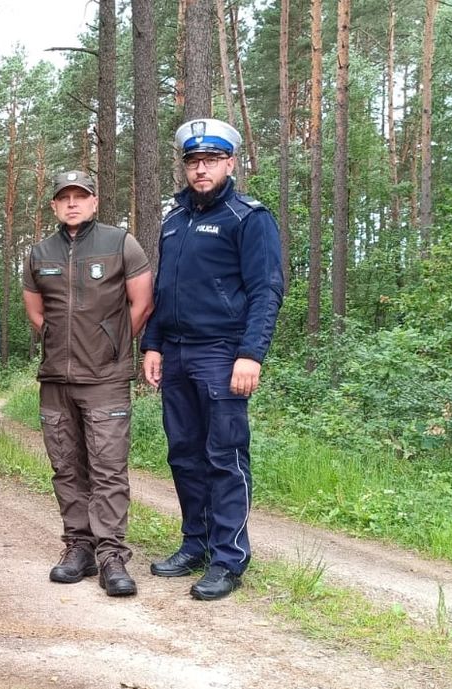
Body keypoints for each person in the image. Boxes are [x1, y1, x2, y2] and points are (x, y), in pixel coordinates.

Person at [141, 119, 283, 600]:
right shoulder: (173, 219)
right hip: (177, 354)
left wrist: (250, 354)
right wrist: (153, 343)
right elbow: (165, 289)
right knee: (184, 453)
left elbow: (266, 291)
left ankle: (228, 558)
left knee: (224, 457)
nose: (200, 170)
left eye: (210, 161)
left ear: (231, 163)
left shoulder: (248, 218)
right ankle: (195, 543)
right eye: (193, 162)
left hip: (223, 353)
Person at [22, 171, 153, 597]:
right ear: (55, 206)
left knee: (108, 467)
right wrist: (63, 348)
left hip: (107, 380)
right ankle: (78, 546)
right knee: (66, 466)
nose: (73, 203)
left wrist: (111, 345)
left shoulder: (120, 243)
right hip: (56, 380)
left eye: (81, 196)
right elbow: (38, 314)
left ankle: (112, 554)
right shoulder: (40, 252)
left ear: (95, 202)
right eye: (65, 198)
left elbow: (142, 304)